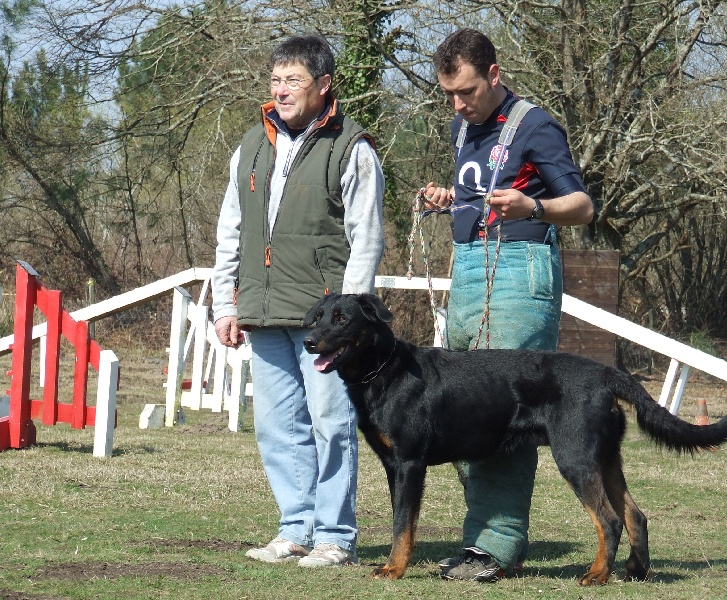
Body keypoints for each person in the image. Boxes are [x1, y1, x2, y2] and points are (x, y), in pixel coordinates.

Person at [423, 29, 594, 582]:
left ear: (494, 75)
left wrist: (534, 207)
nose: (459, 104)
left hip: (520, 270)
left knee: (506, 411)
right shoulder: (462, 127)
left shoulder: (535, 125)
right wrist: (451, 199)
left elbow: (583, 206)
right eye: (449, 94)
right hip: (469, 268)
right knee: (457, 408)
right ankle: (480, 539)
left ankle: (495, 546)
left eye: (467, 91)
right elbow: (480, 189)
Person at [211, 34, 385, 568]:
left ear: (323, 85)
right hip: (262, 310)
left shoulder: (351, 147)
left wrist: (350, 316)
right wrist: (225, 303)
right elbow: (230, 230)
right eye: (275, 80)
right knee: (276, 426)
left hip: (326, 318)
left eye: (293, 81)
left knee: (331, 423)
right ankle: (294, 528)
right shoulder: (250, 146)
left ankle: (335, 536)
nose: (281, 91)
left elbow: (367, 237)